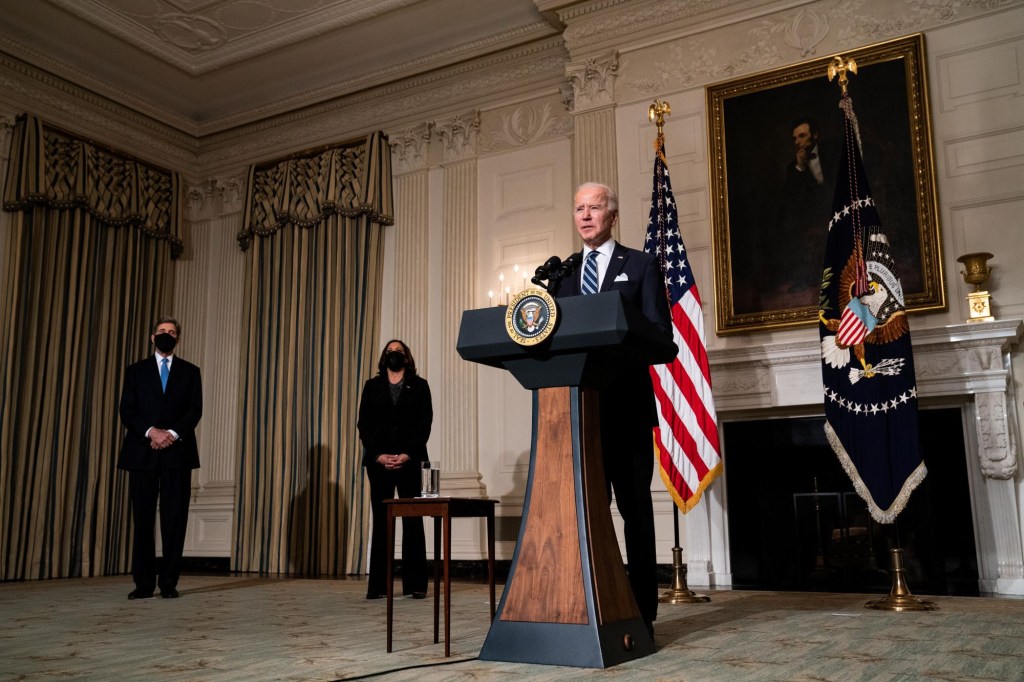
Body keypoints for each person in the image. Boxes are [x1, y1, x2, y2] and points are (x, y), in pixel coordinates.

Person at [550, 182, 672, 638]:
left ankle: (642, 612)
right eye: (578, 208)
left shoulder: (640, 265)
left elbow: (661, 334)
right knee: (588, 515)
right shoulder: (562, 274)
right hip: (579, 415)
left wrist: (618, 341)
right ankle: (593, 604)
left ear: (612, 215)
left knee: (636, 515)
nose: (585, 215)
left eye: (594, 207)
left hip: (626, 412)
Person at [118, 316, 203, 599]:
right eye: (162, 331)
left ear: (178, 339)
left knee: (174, 519)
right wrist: (152, 432)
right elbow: (127, 410)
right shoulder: (135, 371)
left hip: (177, 454)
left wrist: (171, 434)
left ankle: (169, 583)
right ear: (152, 337)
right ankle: (143, 583)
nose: (167, 335)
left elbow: (194, 410)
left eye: (172, 332)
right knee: (142, 519)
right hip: (142, 453)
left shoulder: (191, 372)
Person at [357, 340, 432, 600]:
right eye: (390, 351)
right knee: (382, 521)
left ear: (406, 357)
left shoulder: (420, 386)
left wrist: (406, 454)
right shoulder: (372, 386)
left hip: (410, 461)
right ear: (384, 357)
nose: (394, 355)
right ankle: (378, 586)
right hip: (379, 464)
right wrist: (378, 456)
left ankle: (416, 585)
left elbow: (424, 424)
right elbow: (363, 425)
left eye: (398, 351)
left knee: (414, 520)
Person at [771, 116, 837, 308]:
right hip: (811, 216)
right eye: (795, 138)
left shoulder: (832, 153)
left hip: (837, 207)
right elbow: (791, 198)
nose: (798, 141)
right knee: (789, 224)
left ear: (815, 135)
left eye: (802, 136)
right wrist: (800, 168)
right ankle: (804, 276)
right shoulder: (794, 167)